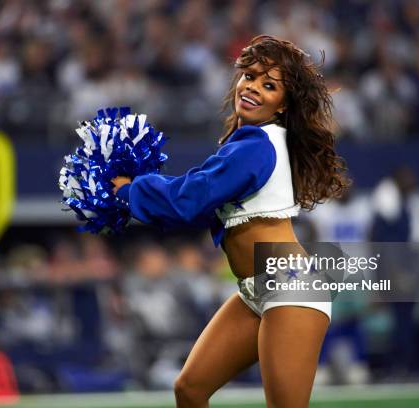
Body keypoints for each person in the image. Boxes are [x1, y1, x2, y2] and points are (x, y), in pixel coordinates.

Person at [112, 35, 348, 407]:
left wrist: (128, 191)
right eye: (249, 76)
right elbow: (196, 200)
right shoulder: (248, 141)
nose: (253, 87)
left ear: (283, 104)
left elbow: (189, 199)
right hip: (256, 289)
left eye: (269, 85)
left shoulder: (256, 146)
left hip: (290, 288)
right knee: (189, 389)